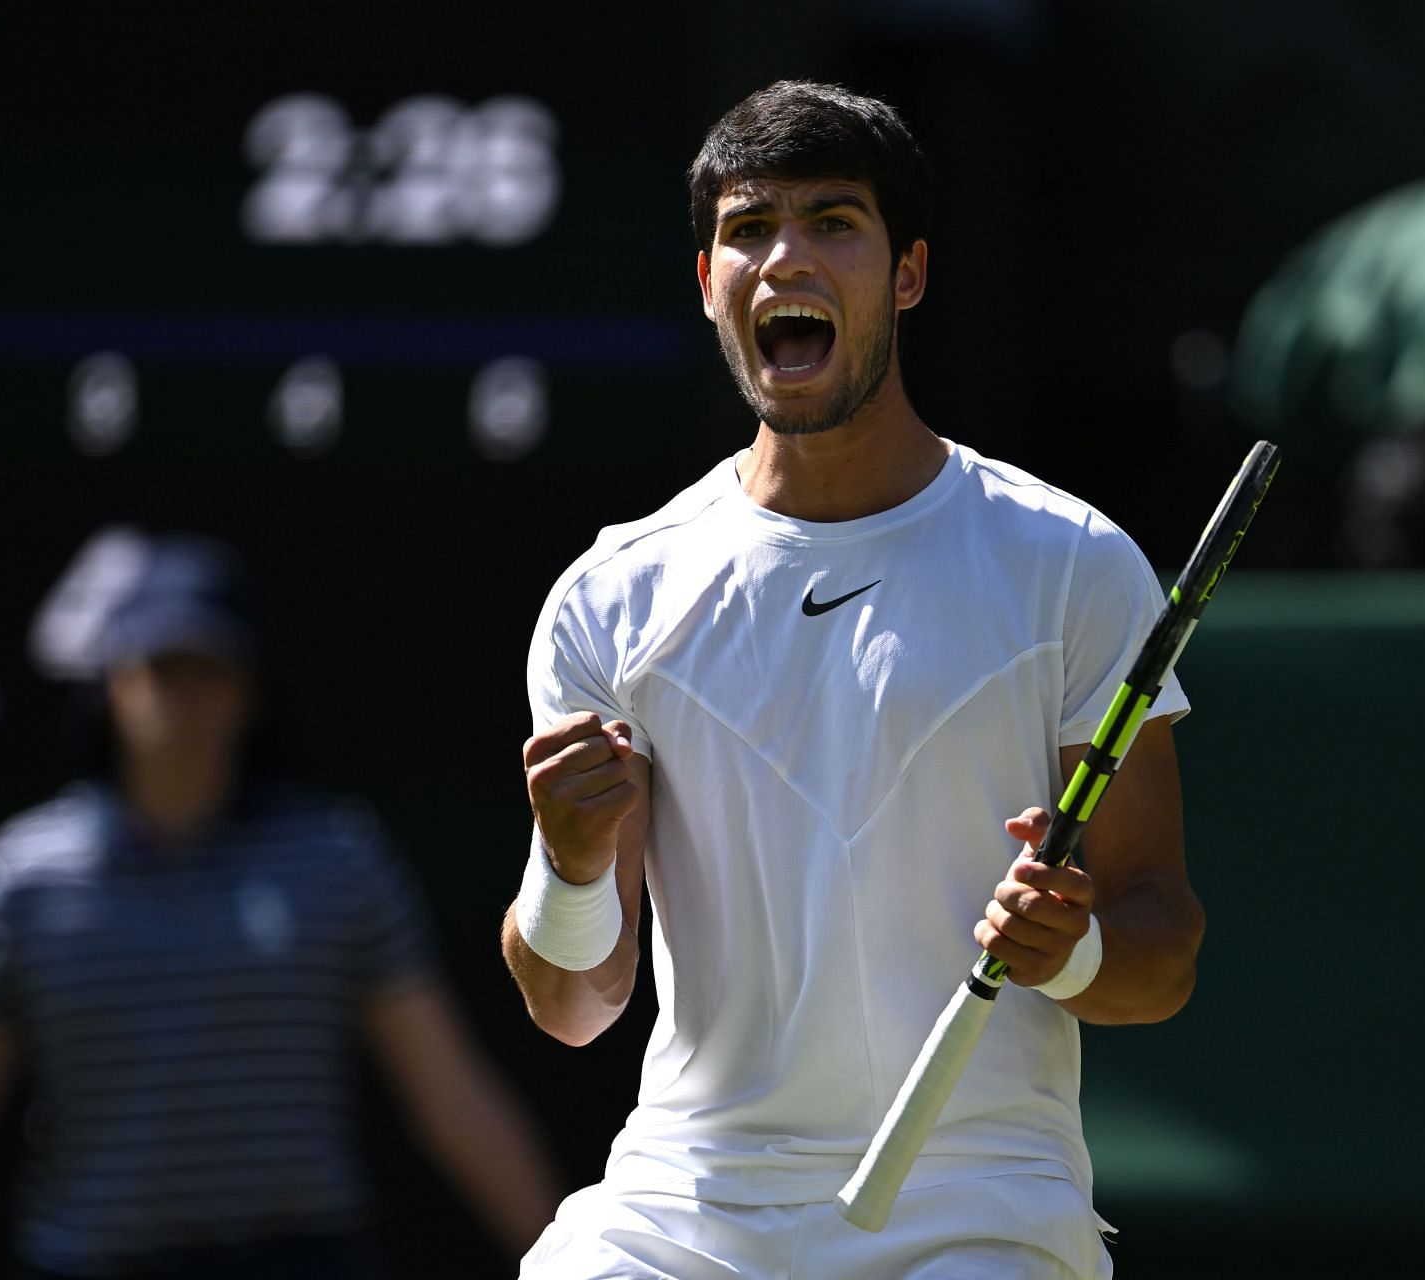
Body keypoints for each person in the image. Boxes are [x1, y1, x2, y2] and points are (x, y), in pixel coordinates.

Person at [500, 80, 1205, 1278]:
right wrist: (570, 863)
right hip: (687, 1207)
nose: (785, 257)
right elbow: (573, 1003)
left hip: (978, 1208)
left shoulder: (1069, 565)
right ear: (709, 282)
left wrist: (1070, 951)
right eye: (748, 227)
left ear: (909, 274)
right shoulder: (609, 597)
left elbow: (1163, 947)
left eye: (833, 222)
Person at [0, 537, 561, 1279]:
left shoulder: (338, 863)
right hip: (96, 1262)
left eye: (209, 672)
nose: (183, 701)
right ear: (113, 686)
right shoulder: (21, 881)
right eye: (161, 671)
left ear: (249, 691)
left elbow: (454, 1102)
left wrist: (566, 1261)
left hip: (298, 1262)